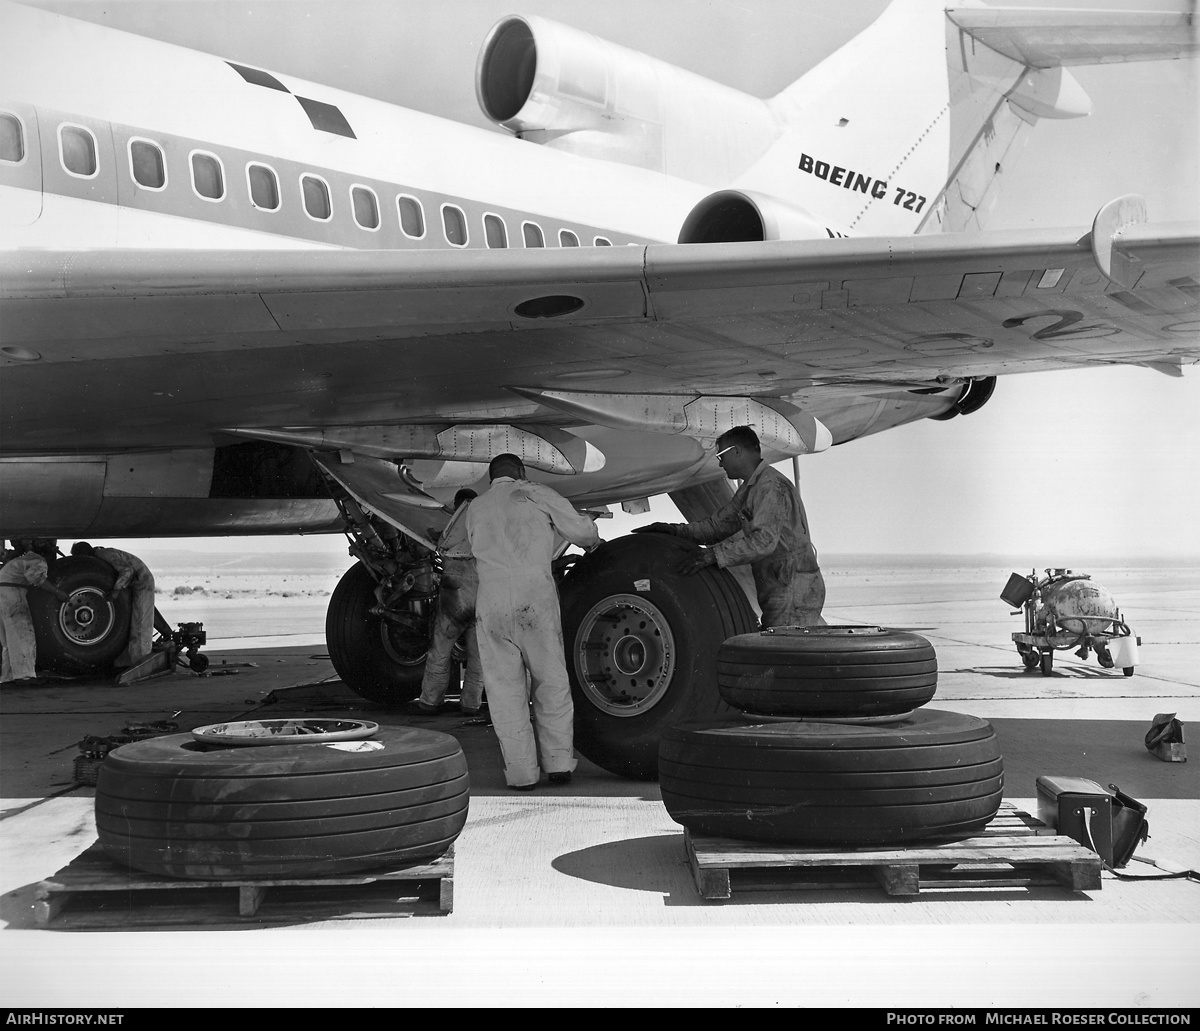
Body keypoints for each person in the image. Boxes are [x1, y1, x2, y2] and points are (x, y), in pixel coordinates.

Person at [466, 454, 600, 790]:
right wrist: (592, 531)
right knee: (550, 681)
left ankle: (522, 774)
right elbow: (581, 532)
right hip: (533, 597)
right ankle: (557, 764)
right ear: (520, 473)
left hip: (491, 600)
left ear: (491, 478)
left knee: (503, 691)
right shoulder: (536, 493)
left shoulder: (476, 507)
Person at [634, 425, 826, 628]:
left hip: (792, 589)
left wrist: (712, 556)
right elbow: (718, 527)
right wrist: (674, 531)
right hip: (783, 585)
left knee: (784, 650)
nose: (720, 465)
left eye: (721, 457)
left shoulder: (769, 487)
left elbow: (764, 542)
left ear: (737, 451)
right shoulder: (752, 487)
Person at [408, 488, 486, 716]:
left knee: (440, 650)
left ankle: (430, 701)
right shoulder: (487, 526)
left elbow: (431, 545)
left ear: (457, 505)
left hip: (455, 597)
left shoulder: (450, 529)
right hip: (481, 596)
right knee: (478, 657)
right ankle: (471, 704)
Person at [71, 542, 156, 667]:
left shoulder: (104, 553)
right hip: (133, 584)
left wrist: (116, 591)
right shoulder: (101, 555)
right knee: (131, 623)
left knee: (141, 624)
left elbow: (127, 570)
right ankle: (129, 661)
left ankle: (141, 662)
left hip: (142, 583)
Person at [0, 538, 70, 686]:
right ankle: (25, 677)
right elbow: (38, 579)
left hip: (3, 595)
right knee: (22, 634)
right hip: (12, 594)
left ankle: (8, 676)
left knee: (8, 640)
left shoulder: (22, 559)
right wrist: (58, 593)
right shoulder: (37, 560)